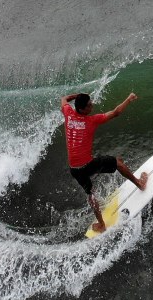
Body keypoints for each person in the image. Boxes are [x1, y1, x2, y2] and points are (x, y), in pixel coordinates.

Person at [60, 92, 148, 233]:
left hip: (74, 169)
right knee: (118, 163)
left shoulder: (67, 113)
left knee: (90, 193)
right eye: (89, 105)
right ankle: (140, 184)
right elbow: (116, 112)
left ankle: (101, 224)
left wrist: (76, 96)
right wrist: (129, 99)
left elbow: (64, 99)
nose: (92, 105)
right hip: (88, 165)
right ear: (82, 109)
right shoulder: (91, 121)